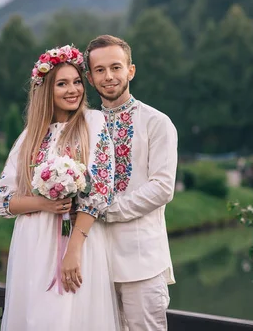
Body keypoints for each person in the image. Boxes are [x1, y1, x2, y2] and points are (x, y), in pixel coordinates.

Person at [0, 44, 120, 331]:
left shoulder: (93, 123)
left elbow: (100, 191)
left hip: (76, 242)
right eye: (62, 84)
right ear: (46, 90)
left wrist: (72, 252)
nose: (72, 90)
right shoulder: (29, 137)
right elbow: (0, 197)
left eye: (77, 82)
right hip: (32, 244)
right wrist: (43, 204)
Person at [85, 35, 178, 331]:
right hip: (95, 262)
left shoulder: (156, 122)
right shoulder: (84, 126)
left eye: (115, 67)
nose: (108, 76)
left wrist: (106, 210)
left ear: (131, 70)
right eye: (100, 70)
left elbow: (162, 187)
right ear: (89, 77)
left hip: (143, 262)